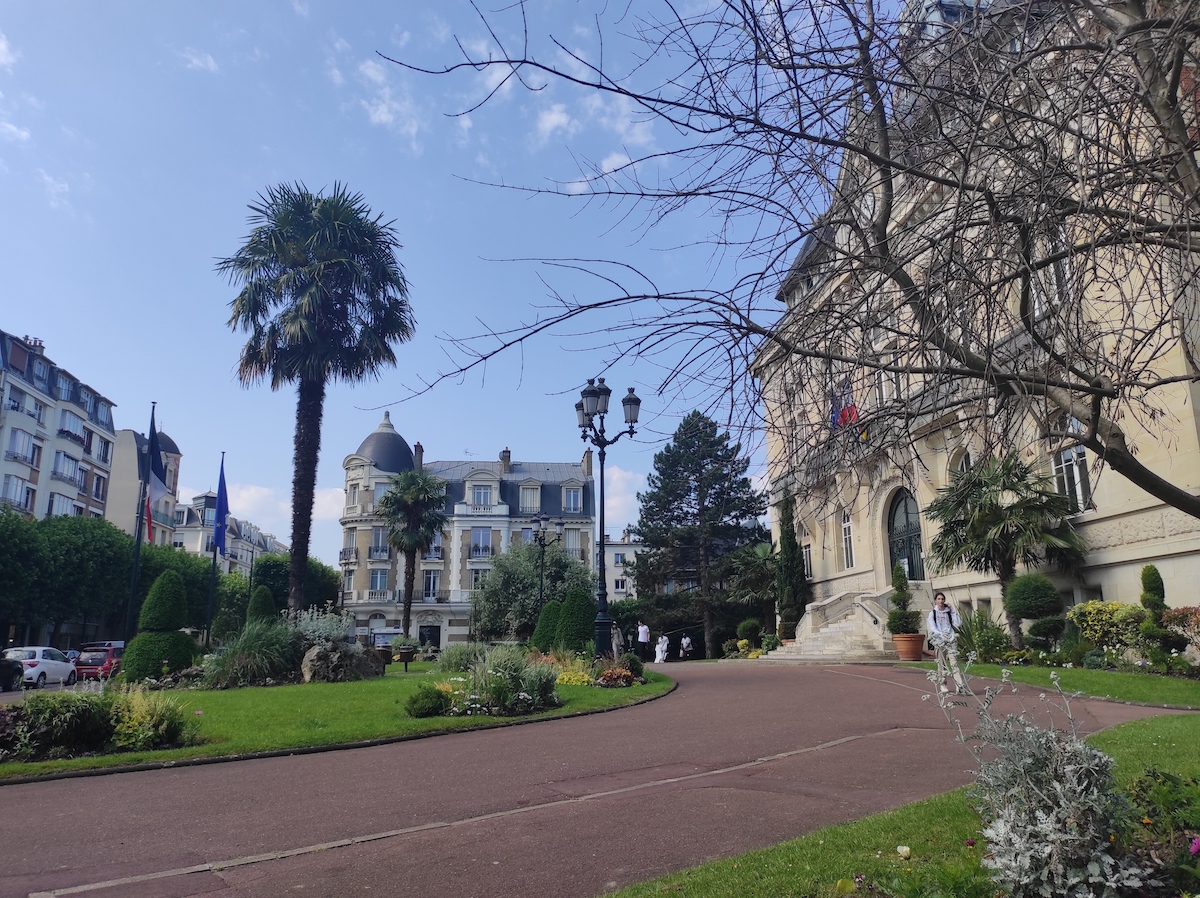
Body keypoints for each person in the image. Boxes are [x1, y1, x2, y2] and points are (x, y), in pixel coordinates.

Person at [927, 591, 966, 694]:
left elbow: (958, 623)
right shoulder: (933, 613)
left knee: (955, 663)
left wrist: (952, 610)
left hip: (951, 639)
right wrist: (941, 635)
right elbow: (933, 627)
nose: (941, 601)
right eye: (939, 599)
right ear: (935, 601)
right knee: (941, 663)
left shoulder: (948, 612)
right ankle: (943, 684)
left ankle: (959, 685)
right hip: (940, 641)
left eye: (942, 599)